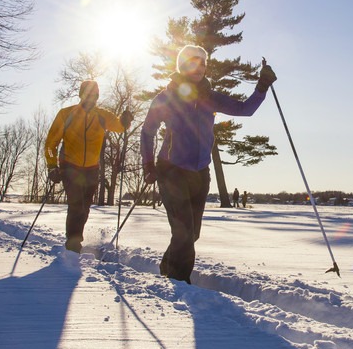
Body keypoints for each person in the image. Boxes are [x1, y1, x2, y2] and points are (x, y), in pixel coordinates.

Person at [141, 45, 276, 283]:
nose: (200, 67)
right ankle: (179, 283)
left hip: (200, 173)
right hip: (171, 170)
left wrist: (261, 87)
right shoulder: (167, 97)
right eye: (194, 62)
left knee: (192, 234)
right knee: (182, 233)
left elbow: (245, 110)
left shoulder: (210, 97)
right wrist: (148, 164)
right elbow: (148, 130)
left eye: (203, 63)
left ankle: (167, 266)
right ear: (182, 66)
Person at [45, 80, 133, 253]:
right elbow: (50, 143)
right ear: (81, 94)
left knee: (85, 207)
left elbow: (119, 127)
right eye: (88, 94)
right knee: (76, 204)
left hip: (92, 168)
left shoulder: (102, 115)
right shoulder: (66, 114)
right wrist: (52, 166)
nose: (91, 98)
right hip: (70, 166)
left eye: (94, 95)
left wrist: (125, 121)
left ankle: (76, 237)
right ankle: (73, 242)